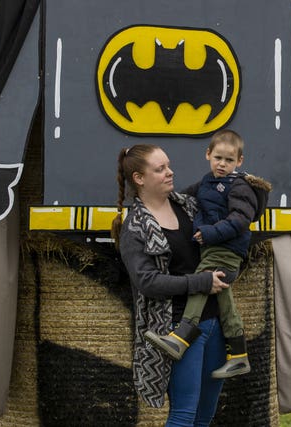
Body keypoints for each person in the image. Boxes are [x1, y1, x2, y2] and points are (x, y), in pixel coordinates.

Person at [111, 143, 230, 426]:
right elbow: (148, 282)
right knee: (184, 415)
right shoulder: (135, 227)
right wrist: (201, 282)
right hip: (178, 329)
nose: (169, 172)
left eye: (168, 165)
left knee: (204, 415)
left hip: (214, 321)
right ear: (139, 178)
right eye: (160, 168)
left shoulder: (187, 205)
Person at [144, 129, 271, 379]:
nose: (222, 164)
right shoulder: (206, 182)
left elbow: (240, 220)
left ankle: (181, 336)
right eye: (218, 158)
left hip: (225, 251)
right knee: (225, 304)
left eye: (229, 160)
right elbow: (181, 197)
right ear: (208, 155)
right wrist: (158, 197)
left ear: (239, 162)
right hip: (214, 250)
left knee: (202, 281)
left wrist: (210, 233)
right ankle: (238, 356)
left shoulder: (239, 186)